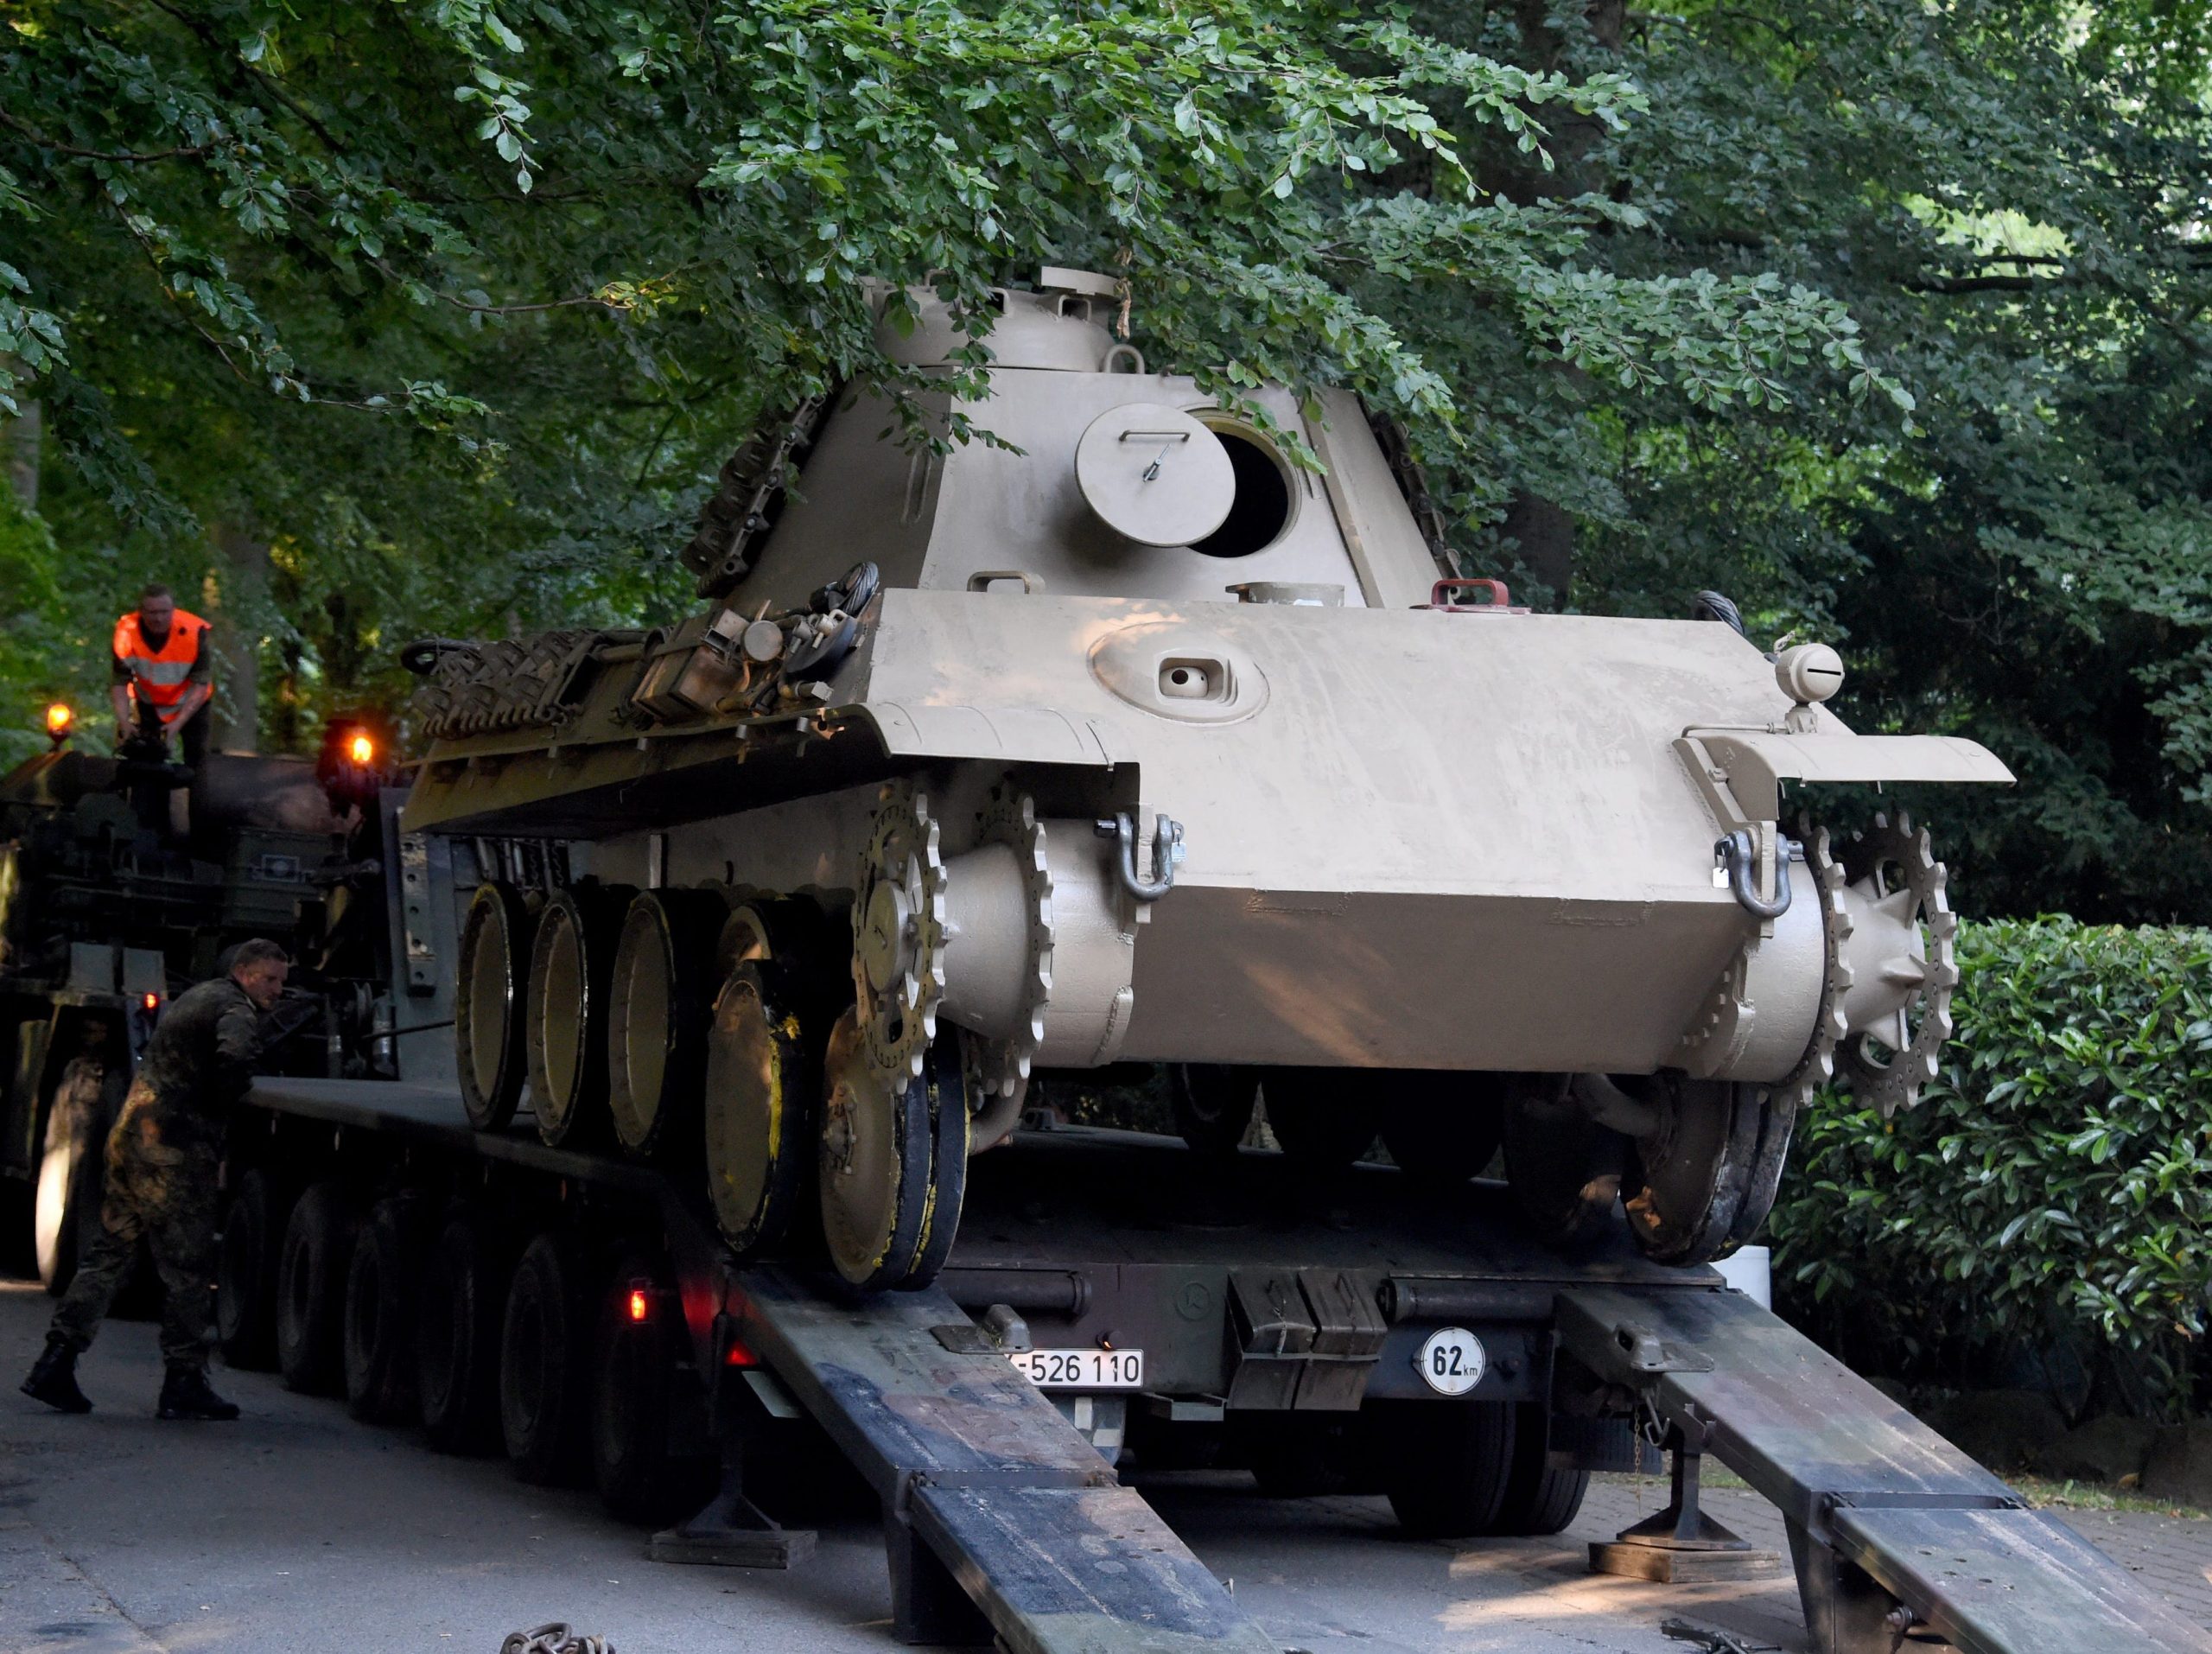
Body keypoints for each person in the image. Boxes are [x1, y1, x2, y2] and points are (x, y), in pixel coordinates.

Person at [21, 939, 289, 1420]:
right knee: (188, 1267)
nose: (277, 990)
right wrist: (226, 1102)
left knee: (110, 1251)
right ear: (244, 973)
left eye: (281, 981)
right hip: (174, 1151)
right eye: (269, 979)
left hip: (134, 1137)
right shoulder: (234, 1008)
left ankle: (55, 1361)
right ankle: (183, 1380)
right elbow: (236, 1056)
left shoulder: (200, 995)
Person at [111, 582, 214, 771]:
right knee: (146, 761)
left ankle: (197, 797)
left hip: (192, 704)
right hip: (150, 704)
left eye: (164, 612)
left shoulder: (194, 631)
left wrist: (178, 723)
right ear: (141, 611)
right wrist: (124, 721)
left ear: (173, 610)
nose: (159, 618)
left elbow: (200, 684)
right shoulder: (127, 632)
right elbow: (119, 682)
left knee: (198, 760)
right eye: (152, 613)